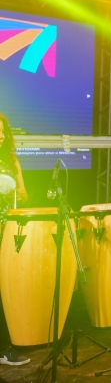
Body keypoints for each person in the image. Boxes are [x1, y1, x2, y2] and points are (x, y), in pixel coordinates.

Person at [0, 114, 30, 366]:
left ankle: (3, 348)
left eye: (3, 132)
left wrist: (18, 179)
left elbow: (23, 193)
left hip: (6, 228)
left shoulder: (9, 159)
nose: (1, 136)